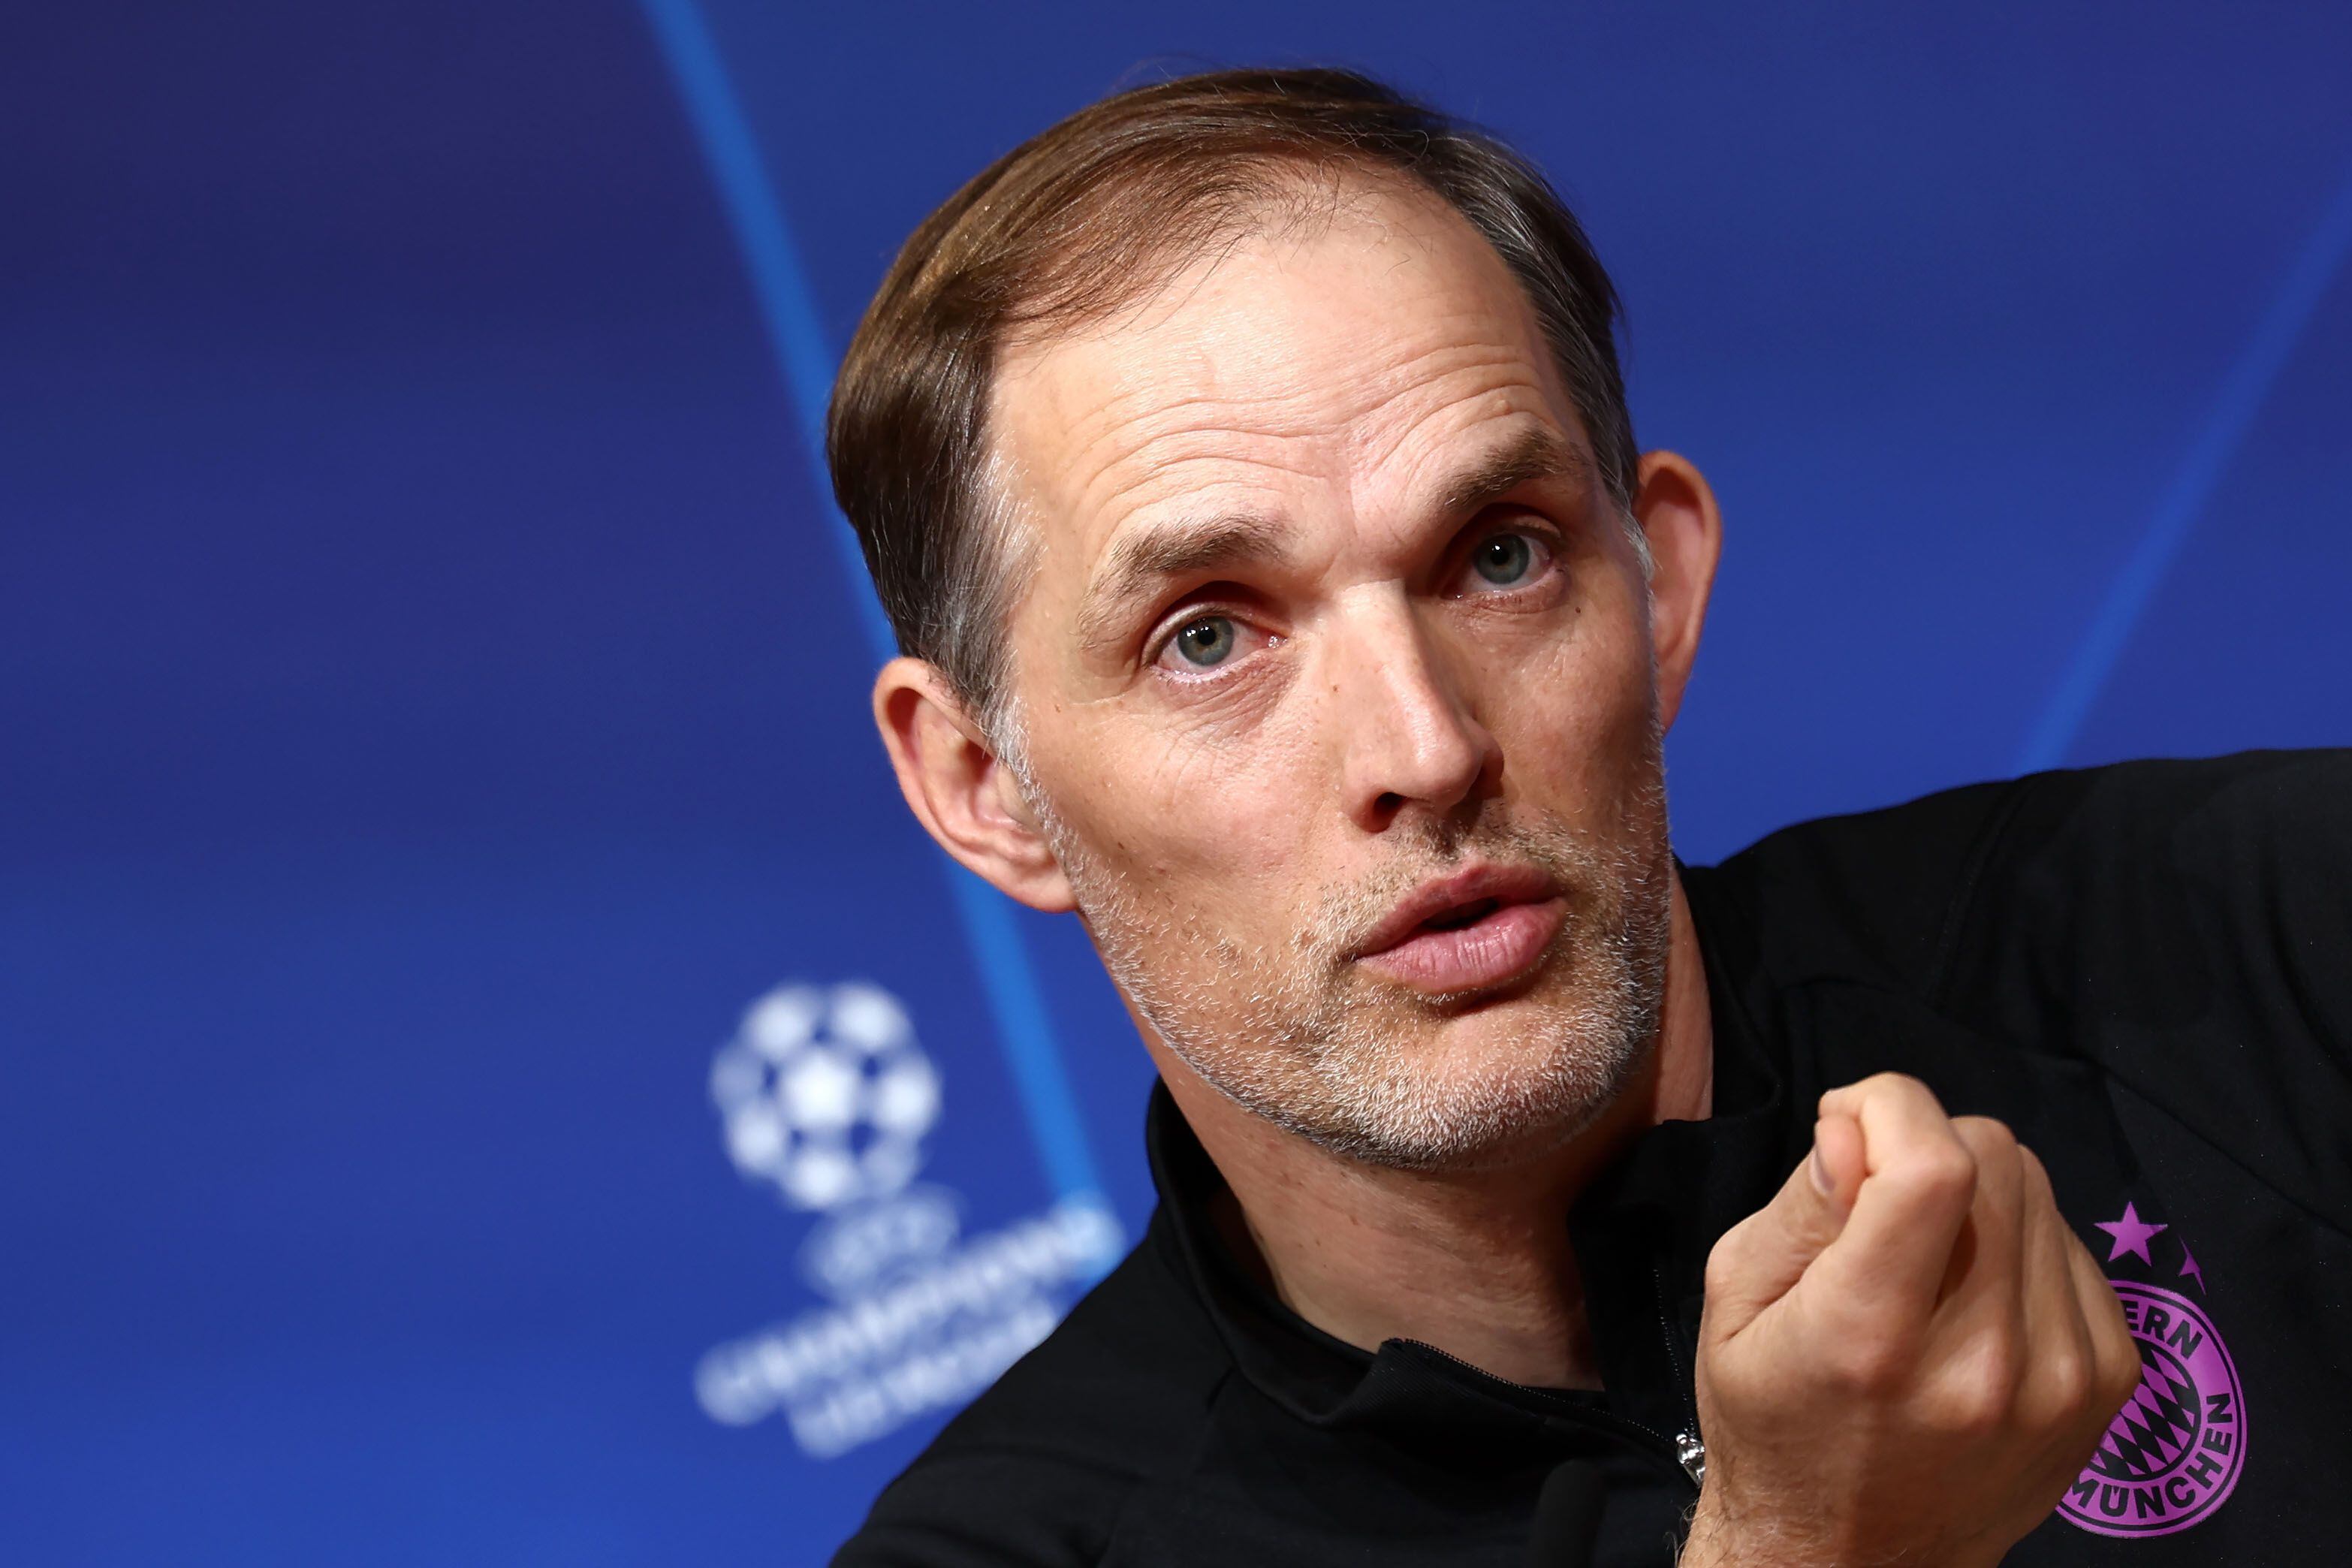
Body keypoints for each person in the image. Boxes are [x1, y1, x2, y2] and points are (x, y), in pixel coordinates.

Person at [822, 67, 2348, 1565]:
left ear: (1662, 585)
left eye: (1499, 557)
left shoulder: (2269, 943)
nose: (1425, 746)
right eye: (1209, 636)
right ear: (986, 790)